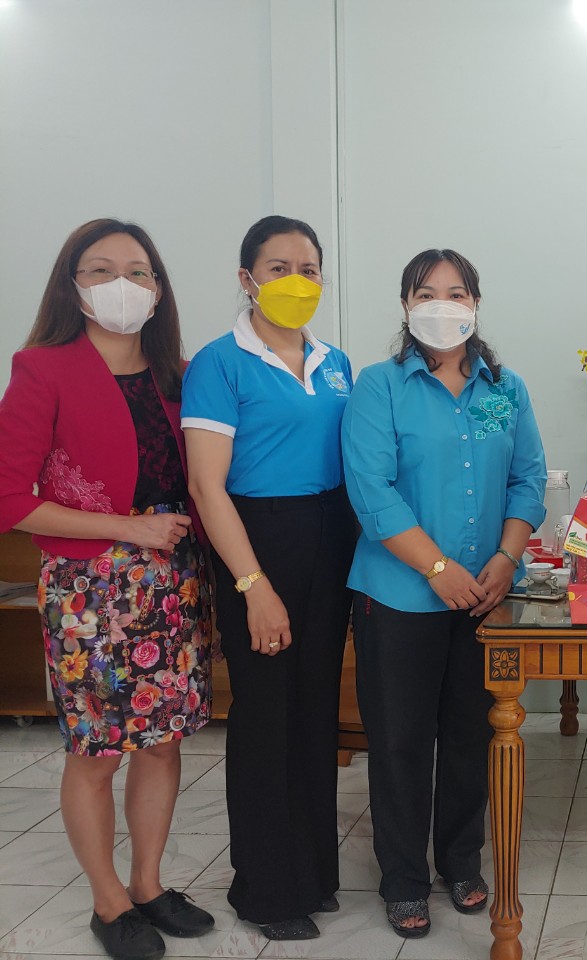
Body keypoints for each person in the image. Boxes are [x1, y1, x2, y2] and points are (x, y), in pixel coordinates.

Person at [0, 219, 215, 960]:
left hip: (173, 584)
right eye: (100, 269)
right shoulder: (43, 368)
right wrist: (125, 527)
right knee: (97, 751)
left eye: (138, 270)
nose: (122, 283)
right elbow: (9, 498)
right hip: (91, 591)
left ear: (158, 287)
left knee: (161, 745)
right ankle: (108, 900)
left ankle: (149, 884)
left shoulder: (180, 374)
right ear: (72, 284)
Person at [341, 248, 546, 938]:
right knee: (400, 742)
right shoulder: (379, 386)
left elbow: (527, 479)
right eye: (427, 292)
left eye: (457, 293)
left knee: (471, 736)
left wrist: (506, 559)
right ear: (406, 305)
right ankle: (403, 879)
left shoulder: (504, 389)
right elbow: (372, 491)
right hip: (399, 596)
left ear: (476, 305)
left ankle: (461, 860)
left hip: (486, 595)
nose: (442, 304)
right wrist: (437, 569)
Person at [182, 216, 357, 940]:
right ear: (247, 278)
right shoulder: (219, 363)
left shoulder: (336, 362)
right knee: (264, 717)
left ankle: (312, 874)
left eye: (309, 268)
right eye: (279, 267)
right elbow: (206, 485)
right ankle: (265, 889)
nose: (297, 280)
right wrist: (253, 585)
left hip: (331, 536)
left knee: (315, 708)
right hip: (258, 541)